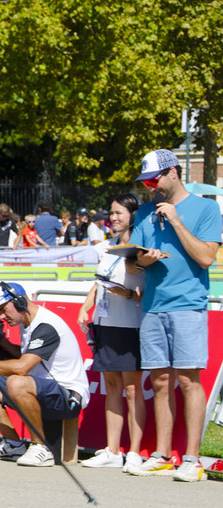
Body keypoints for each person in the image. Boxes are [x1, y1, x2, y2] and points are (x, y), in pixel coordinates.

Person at [127, 149, 222, 482]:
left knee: (187, 381)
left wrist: (178, 222)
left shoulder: (206, 208)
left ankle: (193, 459)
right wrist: (144, 260)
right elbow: (133, 262)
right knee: (161, 381)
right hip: (153, 305)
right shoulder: (143, 213)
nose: (150, 188)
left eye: (154, 180)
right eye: (146, 183)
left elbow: (206, 258)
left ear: (173, 173)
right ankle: (162, 454)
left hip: (187, 305)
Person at [0, 282, 90, 466]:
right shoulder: (27, 321)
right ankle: (13, 444)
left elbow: (22, 367)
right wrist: (5, 345)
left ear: (19, 303)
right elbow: (31, 356)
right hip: (42, 388)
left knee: (17, 381)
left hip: (69, 396)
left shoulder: (46, 325)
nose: (1, 316)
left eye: (3, 309)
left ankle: (40, 447)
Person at [77, 193, 146, 472]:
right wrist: (86, 306)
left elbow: (148, 287)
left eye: (119, 213)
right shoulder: (105, 247)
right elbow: (99, 282)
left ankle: (134, 452)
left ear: (132, 214)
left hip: (131, 324)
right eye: (112, 212)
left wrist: (129, 294)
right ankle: (112, 450)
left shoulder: (142, 248)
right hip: (105, 322)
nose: (114, 217)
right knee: (113, 387)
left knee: (132, 389)